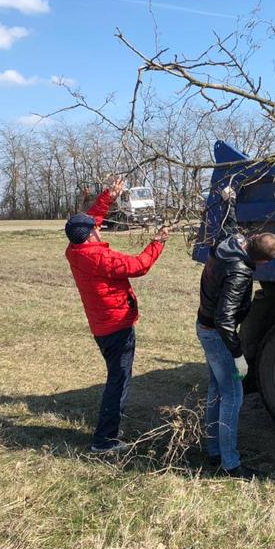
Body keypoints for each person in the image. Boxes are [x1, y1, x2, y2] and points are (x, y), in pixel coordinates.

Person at [65, 175, 168, 453]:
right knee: (118, 380)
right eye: (95, 228)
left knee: (117, 376)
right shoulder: (99, 258)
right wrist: (158, 242)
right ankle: (105, 440)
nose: (99, 227)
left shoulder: (75, 248)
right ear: (90, 235)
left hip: (103, 326)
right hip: (116, 328)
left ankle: (107, 435)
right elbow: (139, 265)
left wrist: (109, 195)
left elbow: (92, 217)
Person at [196, 185, 275, 479]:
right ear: (262, 261)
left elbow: (228, 224)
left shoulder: (232, 242)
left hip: (204, 326)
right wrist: (237, 356)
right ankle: (230, 464)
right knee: (232, 395)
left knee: (215, 389)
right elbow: (224, 319)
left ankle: (212, 450)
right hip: (216, 333)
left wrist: (229, 201)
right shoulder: (239, 272)